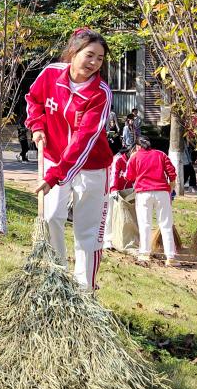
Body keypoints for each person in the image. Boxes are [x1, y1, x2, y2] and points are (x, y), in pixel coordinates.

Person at [28, 28, 113, 292]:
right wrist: (37, 125)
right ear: (74, 52)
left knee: (86, 233)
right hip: (54, 158)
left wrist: (56, 176)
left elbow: (83, 141)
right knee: (51, 216)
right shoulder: (52, 74)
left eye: (100, 59)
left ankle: (85, 291)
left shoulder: (100, 93)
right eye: (89, 55)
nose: (94, 63)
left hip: (91, 167)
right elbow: (34, 99)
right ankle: (59, 279)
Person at [124, 137, 178, 265]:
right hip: (162, 192)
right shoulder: (160, 154)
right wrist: (171, 186)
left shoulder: (135, 156)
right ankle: (171, 257)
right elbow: (172, 172)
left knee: (145, 224)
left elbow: (128, 176)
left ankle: (144, 253)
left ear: (138, 146)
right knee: (166, 224)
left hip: (143, 193)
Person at [103, 146, 130, 250]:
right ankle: (107, 240)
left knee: (123, 216)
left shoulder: (135, 160)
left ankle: (120, 238)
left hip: (126, 192)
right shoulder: (118, 159)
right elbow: (114, 174)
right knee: (110, 215)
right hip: (113, 191)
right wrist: (113, 189)